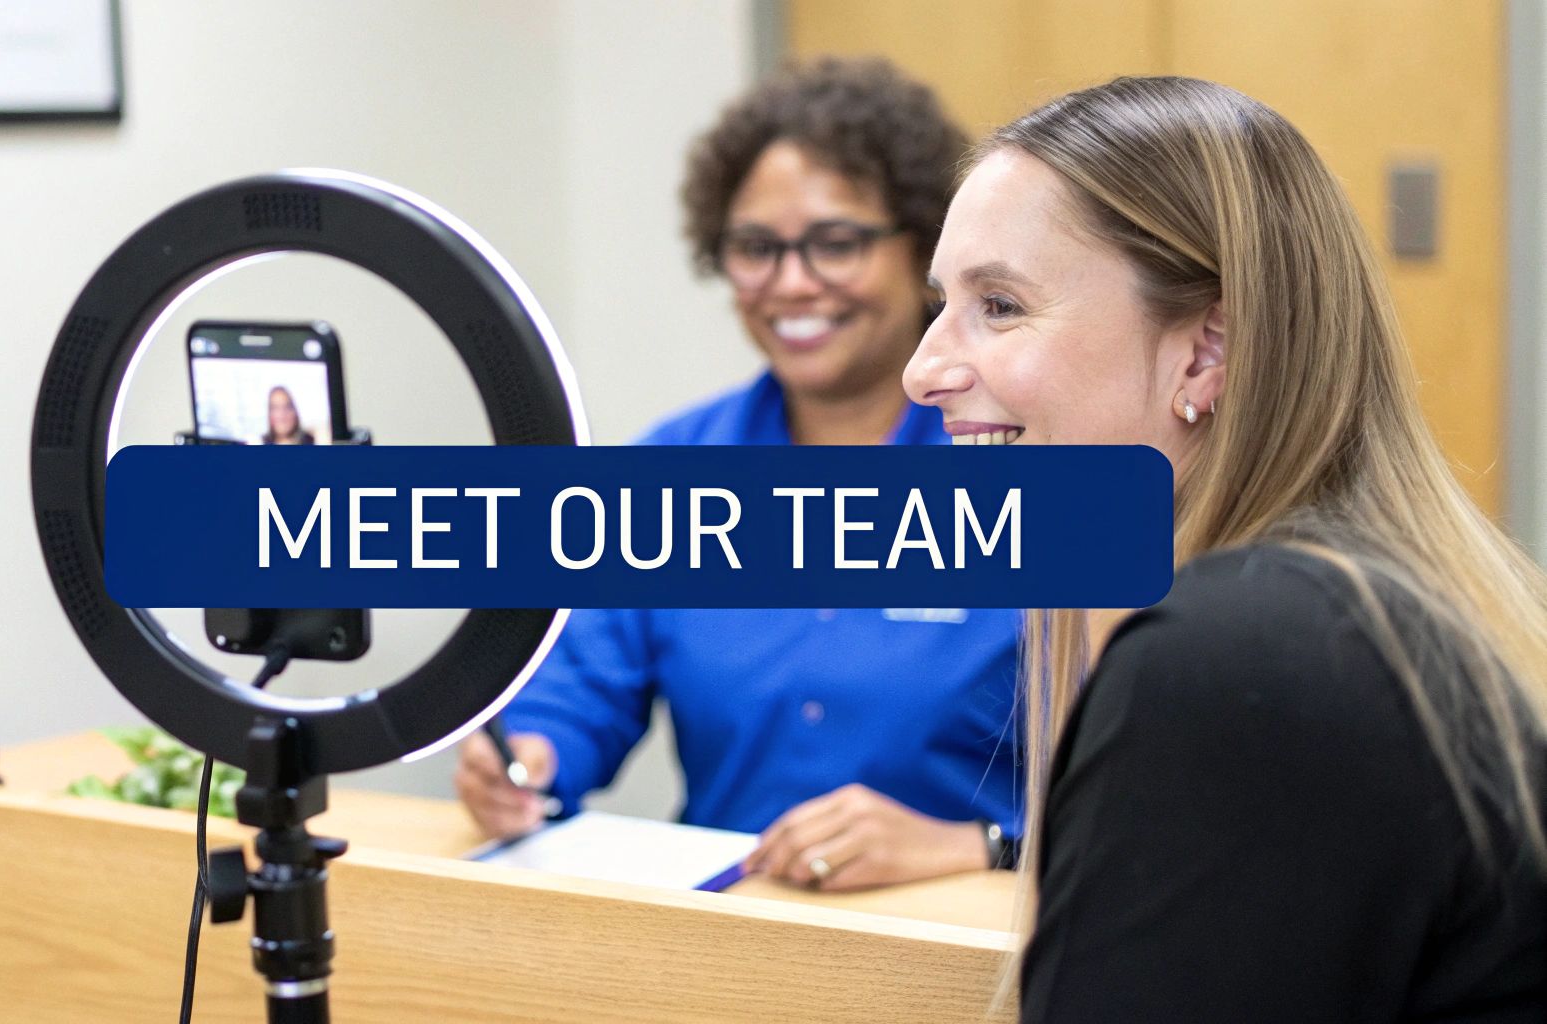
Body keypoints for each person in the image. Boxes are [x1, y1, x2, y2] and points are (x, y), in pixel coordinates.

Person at [904, 76, 1547, 1020]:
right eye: (943, 305)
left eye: (1000, 306)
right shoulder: (1357, 609)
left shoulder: (1238, 661)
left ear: (1206, 353)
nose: (923, 373)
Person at [454, 57, 1025, 891]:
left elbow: (1142, 784)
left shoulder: (1024, 461)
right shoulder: (673, 468)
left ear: (922, 250)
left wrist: (978, 842)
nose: (792, 283)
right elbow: (577, 692)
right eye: (757, 248)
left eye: (836, 243)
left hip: (963, 947)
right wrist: (527, 760)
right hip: (725, 933)